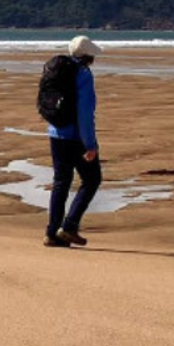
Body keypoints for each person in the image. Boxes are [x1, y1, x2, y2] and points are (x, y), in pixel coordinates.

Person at [44, 34, 103, 248]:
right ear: (89, 55)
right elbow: (85, 113)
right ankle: (69, 226)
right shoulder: (83, 74)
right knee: (92, 179)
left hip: (55, 132)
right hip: (76, 136)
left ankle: (52, 233)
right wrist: (90, 144)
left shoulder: (58, 70)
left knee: (61, 182)